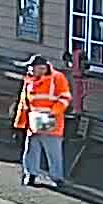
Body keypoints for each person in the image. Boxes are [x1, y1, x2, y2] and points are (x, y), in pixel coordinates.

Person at [13, 53, 72, 189]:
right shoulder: (29, 80)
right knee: (31, 149)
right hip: (34, 120)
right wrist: (20, 123)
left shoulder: (57, 78)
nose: (30, 70)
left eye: (33, 68)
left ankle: (57, 178)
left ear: (43, 68)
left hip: (51, 120)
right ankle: (31, 175)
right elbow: (24, 102)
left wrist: (52, 112)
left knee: (53, 151)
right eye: (30, 68)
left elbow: (65, 98)